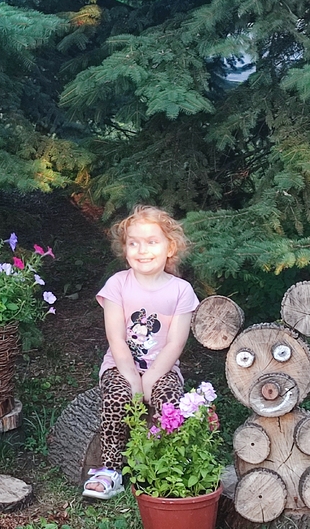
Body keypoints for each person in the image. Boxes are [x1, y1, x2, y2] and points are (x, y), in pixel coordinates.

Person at [82, 205, 199, 500]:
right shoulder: (117, 285)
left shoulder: (181, 291)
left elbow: (175, 344)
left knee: (169, 402)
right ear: (124, 249)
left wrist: (151, 378)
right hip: (119, 367)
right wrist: (133, 378)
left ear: (170, 247)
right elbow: (116, 338)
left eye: (151, 242)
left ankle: (170, 464)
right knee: (117, 398)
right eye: (133, 243)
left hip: (163, 368)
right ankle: (110, 470)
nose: (142, 250)